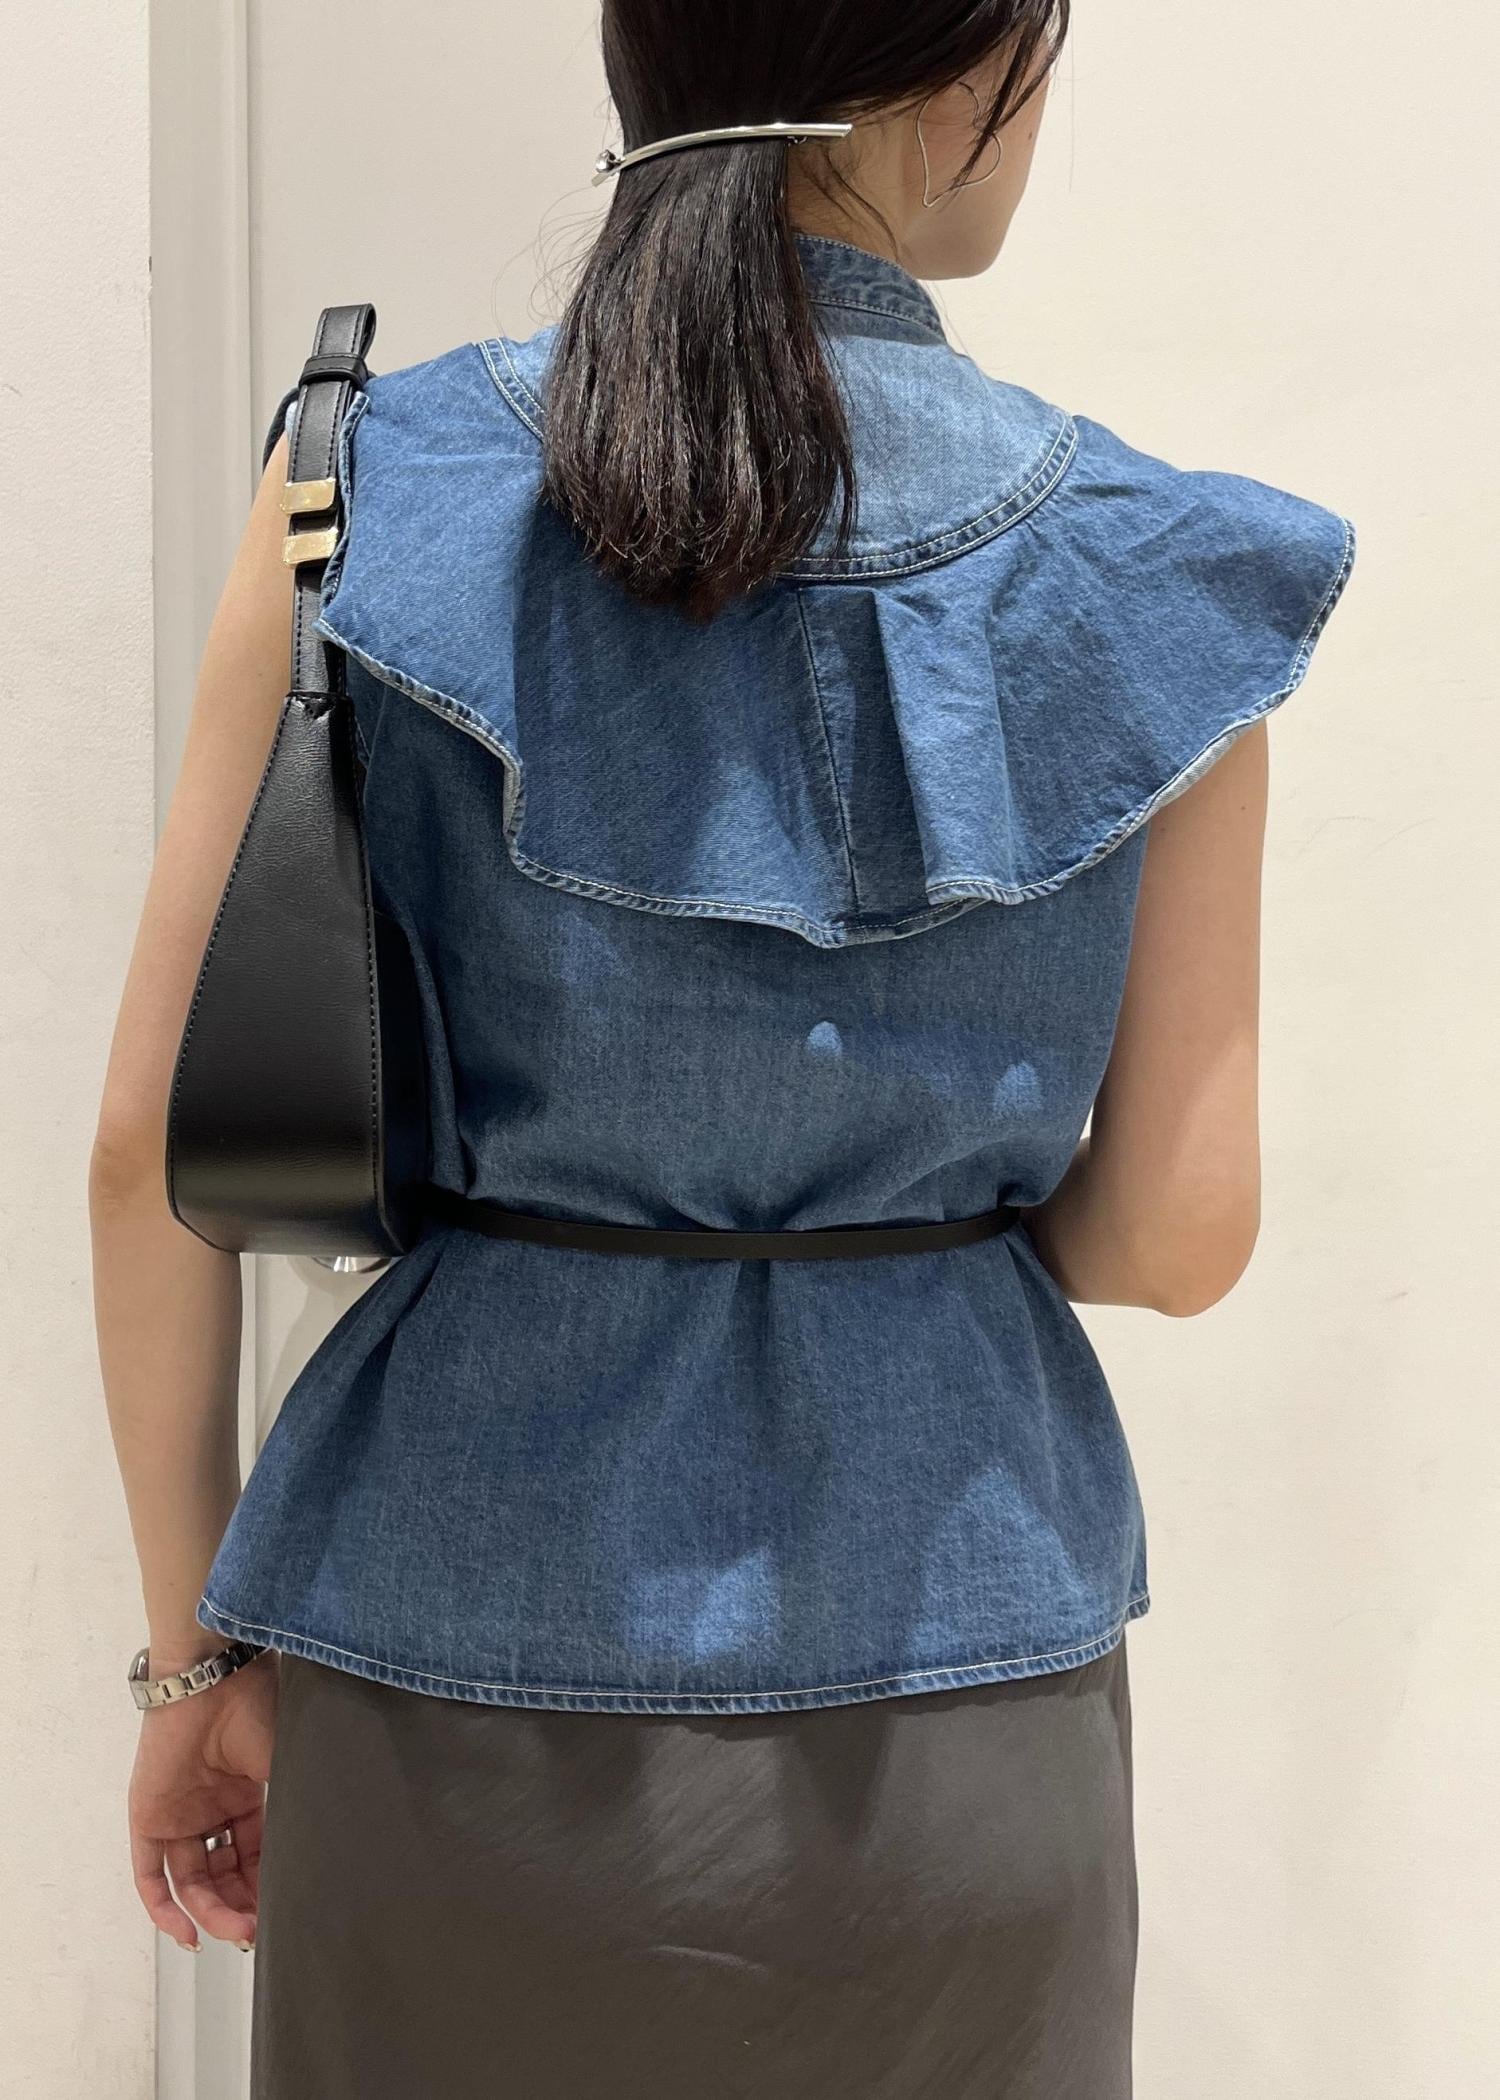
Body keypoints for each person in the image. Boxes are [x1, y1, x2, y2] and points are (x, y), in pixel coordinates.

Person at [88, 3, 1357, 2094]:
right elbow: (1176, 1235)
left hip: (442, 1656)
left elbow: (152, 1155)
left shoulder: (353, 491)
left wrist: (186, 1660)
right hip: (963, 1676)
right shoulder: (1163, 576)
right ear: (957, 89)